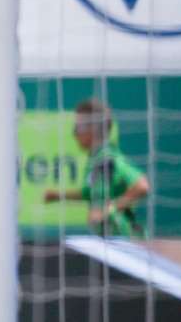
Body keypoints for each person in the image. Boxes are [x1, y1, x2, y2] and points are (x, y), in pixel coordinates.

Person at [43, 98, 150, 237]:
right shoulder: (95, 158)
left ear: (94, 128)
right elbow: (90, 193)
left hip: (124, 239)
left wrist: (109, 209)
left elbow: (142, 186)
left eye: (78, 127)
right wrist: (58, 195)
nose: (74, 133)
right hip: (109, 239)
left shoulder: (107, 157)